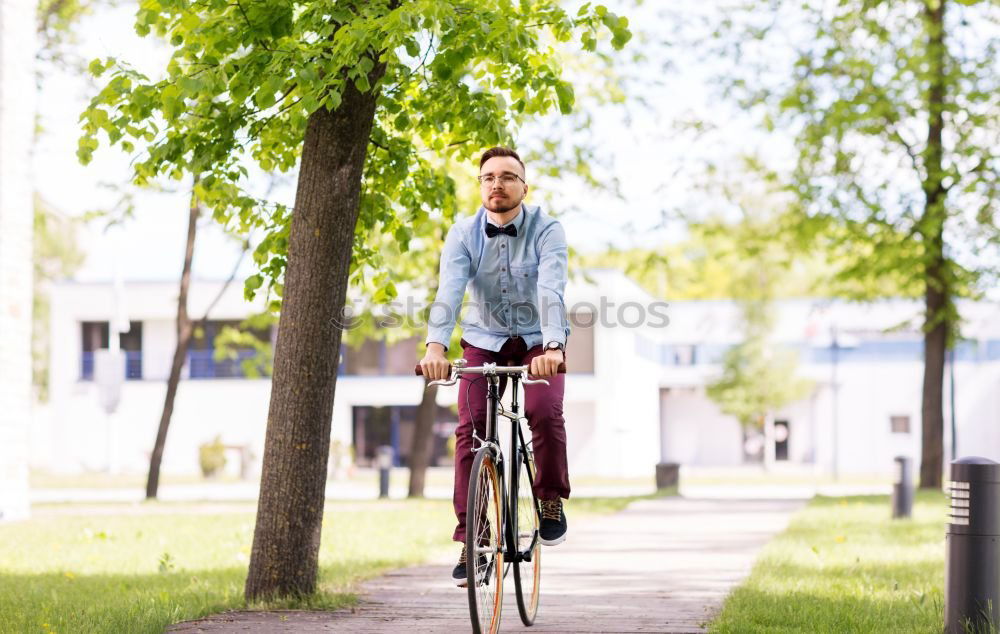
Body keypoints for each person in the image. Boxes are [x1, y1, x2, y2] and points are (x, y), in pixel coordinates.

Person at [419, 146, 571, 587]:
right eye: (488, 177)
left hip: (540, 341)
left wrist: (555, 349)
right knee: (470, 433)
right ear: (480, 185)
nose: (497, 184)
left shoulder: (547, 229)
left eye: (508, 176)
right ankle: (474, 540)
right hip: (483, 339)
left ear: (524, 186)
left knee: (543, 411)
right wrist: (434, 348)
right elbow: (448, 291)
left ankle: (550, 500)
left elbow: (551, 289)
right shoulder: (463, 233)